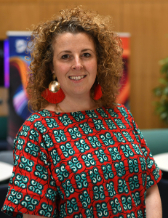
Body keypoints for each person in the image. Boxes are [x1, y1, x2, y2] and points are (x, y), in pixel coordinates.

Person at [2, 6, 162, 218]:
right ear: (51, 66)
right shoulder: (36, 132)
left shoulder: (121, 115)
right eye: (66, 56)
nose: (77, 65)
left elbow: (150, 190)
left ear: (99, 61)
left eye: (86, 54)